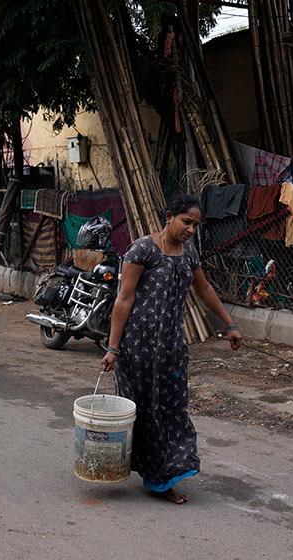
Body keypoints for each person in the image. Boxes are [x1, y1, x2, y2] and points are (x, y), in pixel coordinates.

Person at [101, 193, 242, 504]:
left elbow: (203, 288)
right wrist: (113, 348)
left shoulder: (188, 253)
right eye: (186, 222)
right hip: (137, 347)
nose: (191, 229)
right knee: (143, 412)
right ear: (169, 216)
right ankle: (155, 477)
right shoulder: (143, 249)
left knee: (172, 412)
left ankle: (161, 477)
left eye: (195, 225)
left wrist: (229, 324)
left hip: (172, 347)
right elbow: (124, 299)